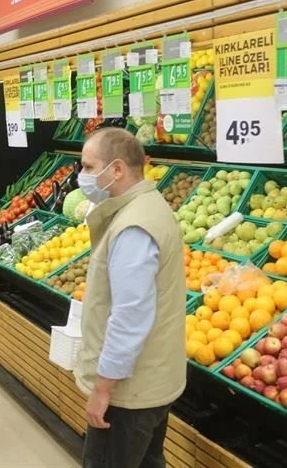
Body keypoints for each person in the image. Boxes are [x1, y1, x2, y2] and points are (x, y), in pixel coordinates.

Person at [74, 127, 186, 468]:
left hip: (128, 393)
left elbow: (129, 317)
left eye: (89, 168)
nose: (83, 176)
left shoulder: (133, 227)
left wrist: (103, 389)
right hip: (152, 379)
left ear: (117, 169)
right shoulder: (149, 206)